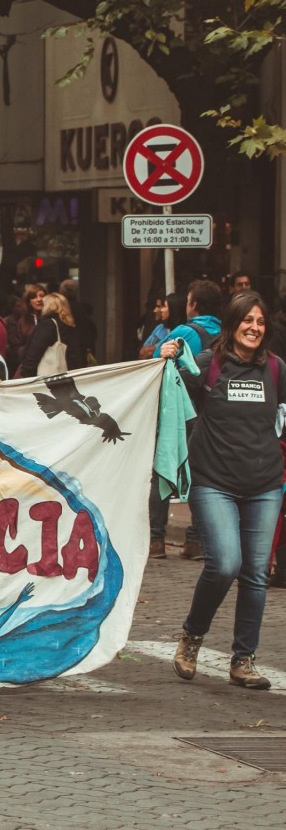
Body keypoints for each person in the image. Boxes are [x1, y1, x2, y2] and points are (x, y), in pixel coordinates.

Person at [162, 291, 284, 690]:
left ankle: (243, 660)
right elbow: (165, 388)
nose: (254, 327)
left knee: (255, 574)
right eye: (246, 320)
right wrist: (163, 357)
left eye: (260, 322)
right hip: (213, 482)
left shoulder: (277, 370)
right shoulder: (206, 366)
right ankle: (192, 637)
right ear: (231, 326)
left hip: (265, 484)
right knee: (225, 563)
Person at [161, 279, 228, 559]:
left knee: (166, 470)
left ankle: (156, 538)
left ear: (194, 305)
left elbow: (156, 366)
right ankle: (199, 539)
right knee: (206, 474)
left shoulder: (183, 332)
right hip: (213, 415)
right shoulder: (227, 334)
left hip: (180, 412)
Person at [17, 293, 85, 378]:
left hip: (45, 381)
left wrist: (27, 376)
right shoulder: (71, 326)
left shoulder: (47, 325)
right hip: (67, 379)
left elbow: (33, 355)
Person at [5, 284, 45, 368]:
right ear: (29, 302)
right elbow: (16, 346)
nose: (39, 299)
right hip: (29, 364)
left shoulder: (49, 319)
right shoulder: (22, 321)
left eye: (42, 296)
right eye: (34, 297)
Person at [137, 294, 181, 361]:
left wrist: (155, 351)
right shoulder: (159, 327)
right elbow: (142, 352)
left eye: (163, 306)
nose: (161, 310)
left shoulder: (178, 333)